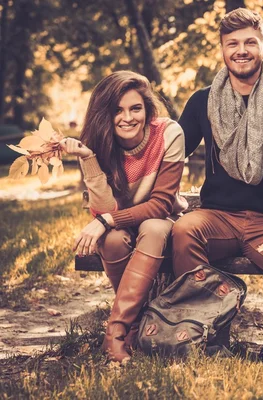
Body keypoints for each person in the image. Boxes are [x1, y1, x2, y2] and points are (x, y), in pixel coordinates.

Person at [172, 8, 263, 362]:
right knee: (183, 231)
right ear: (222, 50)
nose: (241, 50)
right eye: (232, 43)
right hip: (215, 217)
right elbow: (172, 152)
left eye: (250, 42)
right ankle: (210, 334)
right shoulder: (203, 101)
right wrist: (165, 196)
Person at [61, 71, 188, 363]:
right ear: (106, 114)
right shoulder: (100, 141)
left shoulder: (169, 134)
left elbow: (160, 204)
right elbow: (104, 207)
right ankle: (134, 326)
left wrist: (106, 221)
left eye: (135, 108)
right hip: (122, 224)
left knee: (154, 228)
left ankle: (115, 333)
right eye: (117, 110)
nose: (127, 118)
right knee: (113, 242)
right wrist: (88, 159)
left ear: (147, 109)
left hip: (162, 221)